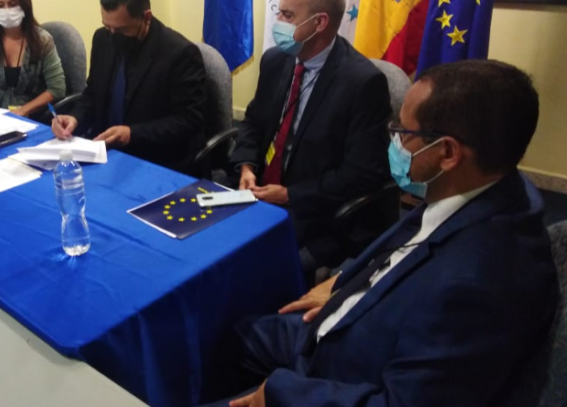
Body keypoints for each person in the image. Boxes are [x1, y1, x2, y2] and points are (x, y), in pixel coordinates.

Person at [207, 59, 558, 407]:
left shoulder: (481, 283)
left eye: (403, 131)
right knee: (220, 338)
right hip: (346, 319)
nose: (394, 139)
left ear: (448, 153)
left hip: (345, 374)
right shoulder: (487, 185)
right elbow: (410, 239)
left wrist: (281, 393)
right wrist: (346, 282)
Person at [230, 0, 392, 266]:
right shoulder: (276, 60)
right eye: (279, 11)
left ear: (319, 23)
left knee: (252, 261)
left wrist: (289, 194)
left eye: (288, 15)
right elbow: (253, 121)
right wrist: (246, 166)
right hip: (258, 188)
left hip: (313, 206)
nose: (278, 21)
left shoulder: (363, 83)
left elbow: (362, 173)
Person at [52, 0, 206, 174]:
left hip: (155, 159)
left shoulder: (179, 54)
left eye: (122, 30)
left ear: (146, 17)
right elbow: (93, 94)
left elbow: (188, 121)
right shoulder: (102, 39)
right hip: (104, 152)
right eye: (107, 27)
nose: (113, 35)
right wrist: (75, 118)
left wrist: (131, 133)